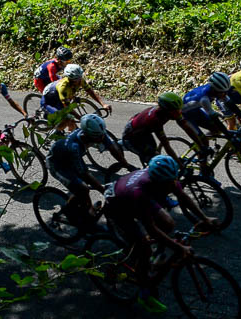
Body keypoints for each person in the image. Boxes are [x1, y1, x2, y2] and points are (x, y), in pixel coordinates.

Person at [103, 155, 218, 315]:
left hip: (131, 193)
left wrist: (204, 218)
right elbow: (150, 228)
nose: (172, 185)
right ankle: (144, 294)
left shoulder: (167, 178)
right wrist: (178, 247)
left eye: (173, 180)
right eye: (168, 183)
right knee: (143, 249)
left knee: (168, 223)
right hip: (118, 207)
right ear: (157, 181)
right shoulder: (140, 192)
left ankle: (153, 255)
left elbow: (183, 197)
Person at [46, 114, 128, 224]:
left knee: (83, 190)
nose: (102, 138)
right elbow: (85, 174)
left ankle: (87, 210)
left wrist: (126, 165)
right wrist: (104, 191)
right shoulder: (74, 147)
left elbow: (112, 148)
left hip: (70, 160)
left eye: (102, 135)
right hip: (57, 165)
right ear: (88, 135)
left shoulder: (98, 133)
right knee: (83, 189)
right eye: (98, 137)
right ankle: (67, 212)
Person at [181, 72, 241, 170]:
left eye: (225, 91)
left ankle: (201, 140)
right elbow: (215, 119)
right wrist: (229, 136)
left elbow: (231, 104)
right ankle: (203, 169)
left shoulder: (218, 91)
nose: (224, 94)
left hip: (196, 110)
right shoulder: (204, 98)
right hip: (185, 116)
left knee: (216, 130)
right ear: (214, 90)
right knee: (204, 143)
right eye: (222, 92)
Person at [121, 92, 202, 167]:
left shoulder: (170, 111)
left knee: (156, 153)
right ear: (165, 110)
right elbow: (166, 145)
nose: (178, 113)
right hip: (132, 137)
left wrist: (201, 146)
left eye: (179, 110)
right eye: (175, 111)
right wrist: (180, 165)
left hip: (143, 130)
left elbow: (186, 127)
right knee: (156, 162)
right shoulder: (156, 120)